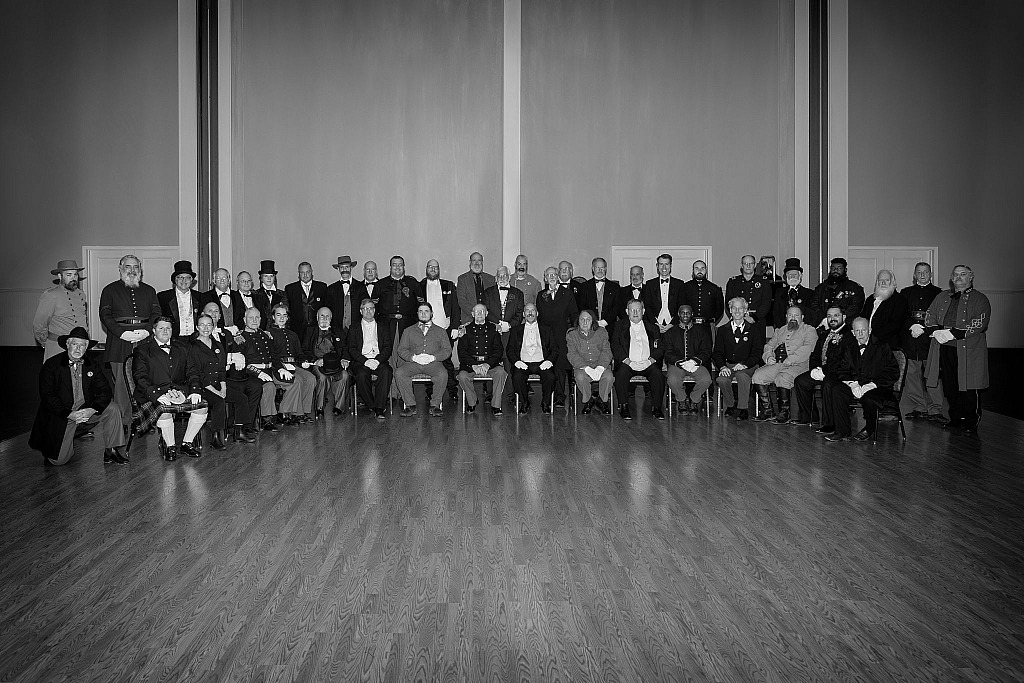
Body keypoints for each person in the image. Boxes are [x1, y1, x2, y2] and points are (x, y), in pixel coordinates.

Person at [29, 327, 128, 466]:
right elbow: (48, 396)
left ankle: (111, 451)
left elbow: (105, 390)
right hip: (62, 414)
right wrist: (69, 414)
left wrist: (92, 409)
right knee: (58, 461)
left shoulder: (92, 365)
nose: (78, 349)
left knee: (112, 408)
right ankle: (57, 444)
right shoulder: (52, 365)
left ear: (86, 348)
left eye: (82, 345)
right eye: (75, 344)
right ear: (67, 344)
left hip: (85, 409)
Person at [919, 265, 990, 433]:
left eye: (963, 274)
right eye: (956, 274)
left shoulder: (980, 299)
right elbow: (930, 315)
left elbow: (980, 322)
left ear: (971, 277)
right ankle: (955, 418)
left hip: (969, 350)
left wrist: (953, 333)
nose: (959, 277)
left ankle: (971, 420)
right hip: (945, 348)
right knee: (950, 386)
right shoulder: (942, 296)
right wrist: (936, 331)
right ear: (951, 277)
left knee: (969, 386)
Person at [99, 254, 161, 428]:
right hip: (119, 342)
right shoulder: (109, 290)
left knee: (146, 381)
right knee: (121, 384)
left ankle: (146, 420)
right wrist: (121, 333)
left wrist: (147, 330)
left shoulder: (149, 290)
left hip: (145, 341)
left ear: (140, 269)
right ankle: (124, 422)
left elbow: (156, 314)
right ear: (120, 268)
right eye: (128, 267)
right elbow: (105, 315)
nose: (132, 271)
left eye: (136, 267)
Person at [133, 317, 207, 461]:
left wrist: (195, 390)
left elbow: (192, 372)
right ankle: (170, 446)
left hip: (179, 392)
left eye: (168, 328)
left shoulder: (183, 348)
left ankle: (187, 443)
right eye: (161, 328)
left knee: (202, 407)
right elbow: (139, 377)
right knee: (164, 411)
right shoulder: (142, 350)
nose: (165, 331)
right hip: (153, 394)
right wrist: (156, 395)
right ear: (154, 331)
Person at [819, 317, 900, 442]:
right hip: (856, 384)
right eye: (857, 331)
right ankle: (842, 431)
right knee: (837, 389)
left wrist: (873, 384)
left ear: (870, 330)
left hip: (878, 387)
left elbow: (893, 372)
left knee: (869, 398)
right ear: (853, 332)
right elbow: (842, 370)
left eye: (864, 330)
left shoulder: (882, 346)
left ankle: (869, 428)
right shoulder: (850, 347)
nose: (860, 334)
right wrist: (853, 384)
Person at [199, 301, 260, 443]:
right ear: (202, 316)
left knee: (248, 390)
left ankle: (240, 430)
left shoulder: (227, 333)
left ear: (220, 316)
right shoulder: (195, 339)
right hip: (206, 381)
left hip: (224, 377)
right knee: (229, 394)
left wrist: (237, 355)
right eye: (210, 311)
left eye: (216, 312)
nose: (213, 315)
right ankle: (219, 433)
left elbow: (236, 348)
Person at [790, 307, 857, 427]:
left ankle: (828, 423)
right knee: (800, 381)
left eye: (836, 315)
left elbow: (843, 361)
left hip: (840, 372)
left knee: (828, 383)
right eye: (829, 316)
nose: (832, 319)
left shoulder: (849, 336)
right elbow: (815, 354)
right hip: (821, 370)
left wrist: (824, 371)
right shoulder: (824, 334)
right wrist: (815, 368)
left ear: (844, 317)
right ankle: (809, 416)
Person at [187, 313, 246, 450]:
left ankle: (239, 431)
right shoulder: (193, 347)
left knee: (241, 398)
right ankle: (215, 437)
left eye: (209, 324)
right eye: (202, 325)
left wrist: (223, 388)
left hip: (218, 385)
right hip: (203, 387)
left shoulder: (218, 344)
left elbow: (221, 370)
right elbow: (197, 373)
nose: (206, 328)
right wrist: (217, 392)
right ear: (197, 327)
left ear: (213, 326)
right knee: (219, 401)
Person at [751, 305, 818, 423]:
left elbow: (808, 348)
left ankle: (784, 413)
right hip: (778, 364)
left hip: (799, 364)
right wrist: (769, 357)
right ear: (786, 317)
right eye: (790, 315)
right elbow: (769, 346)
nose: (793, 318)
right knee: (758, 376)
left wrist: (790, 359)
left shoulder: (809, 330)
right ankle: (768, 412)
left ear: (802, 317)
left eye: (796, 315)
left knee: (782, 378)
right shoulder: (780, 330)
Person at [899, 262, 945, 421]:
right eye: (919, 272)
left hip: (930, 339)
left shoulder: (939, 294)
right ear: (914, 275)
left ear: (931, 274)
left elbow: (942, 317)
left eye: (925, 272)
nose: (922, 275)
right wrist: (911, 325)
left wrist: (926, 328)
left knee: (932, 376)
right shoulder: (905, 293)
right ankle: (919, 406)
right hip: (910, 339)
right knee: (911, 375)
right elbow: (900, 314)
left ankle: (936, 409)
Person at [611, 300, 666, 420]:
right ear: (627, 312)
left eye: (638, 310)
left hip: (648, 363)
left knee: (658, 374)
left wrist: (650, 361)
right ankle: (624, 407)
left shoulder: (652, 327)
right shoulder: (619, 326)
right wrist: (627, 361)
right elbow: (615, 345)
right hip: (628, 363)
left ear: (643, 311)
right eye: (632, 310)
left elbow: (660, 347)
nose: (635, 312)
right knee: (621, 373)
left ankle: (656, 408)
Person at [712, 297, 765, 420]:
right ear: (730, 310)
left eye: (740, 308)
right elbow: (717, 353)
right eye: (734, 308)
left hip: (748, 365)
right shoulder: (722, 330)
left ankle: (743, 408)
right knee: (721, 379)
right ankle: (730, 405)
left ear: (745, 310)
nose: (737, 311)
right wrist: (723, 366)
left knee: (742, 376)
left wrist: (745, 365)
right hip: (729, 365)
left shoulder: (754, 330)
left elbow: (757, 352)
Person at [395, 302, 451, 416]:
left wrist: (433, 357)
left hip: (433, 363)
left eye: (426, 311)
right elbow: (401, 349)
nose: (423, 314)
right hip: (413, 363)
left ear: (431, 314)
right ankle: (410, 405)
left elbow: (447, 350)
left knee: (443, 374)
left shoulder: (441, 331)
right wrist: (414, 357)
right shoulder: (408, 331)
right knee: (399, 373)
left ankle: (435, 405)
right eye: (421, 311)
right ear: (417, 314)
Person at [536, 266, 578, 408]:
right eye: (549, 275)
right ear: (545, 278)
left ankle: (560, 396)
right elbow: (540, 317)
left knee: (560, 365)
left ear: (558, 276)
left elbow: (574, 315)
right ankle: (547, 397)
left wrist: (575, 333)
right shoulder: (541, 295)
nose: (552, 277)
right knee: (548, 365)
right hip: (546, 336)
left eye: (554, 274)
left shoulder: (567, 293)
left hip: (562, 334)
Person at [266, 304, 316, 424]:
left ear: (288, 318)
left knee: (311, 378)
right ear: (273, 317)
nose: (282, 318)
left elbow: (299, 353)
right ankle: (286, 412)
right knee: (296, 380)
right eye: (278, 315)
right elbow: (271, 355)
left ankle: (302, 412)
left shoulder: (292, 334)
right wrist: (281, 367)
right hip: (278, 366)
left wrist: (304, 361)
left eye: (284, 315)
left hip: (294, 365)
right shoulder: (269, 333)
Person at [235, 307, 283, 433]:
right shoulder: (240, 337)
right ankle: (267, 420)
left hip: (269, 370)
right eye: (251, 318)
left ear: (261, 319)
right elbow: (242, 363)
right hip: (250, 373)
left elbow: (274, 355)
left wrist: (281, 368)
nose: (254, 320)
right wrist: (258, 373)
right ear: (245, 320)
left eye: (257, 318)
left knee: (293, 382)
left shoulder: (264, 335)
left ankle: (287, 415)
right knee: (269, 387)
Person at [457, 303, 508, 415]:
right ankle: (472, 402)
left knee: (501, 372)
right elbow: (462, 351)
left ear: (487, 314)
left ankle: (496, 405)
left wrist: (488, 364)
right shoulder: (465, 329)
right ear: (472, 314)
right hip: (471, 364)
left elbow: (498, 350)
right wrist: (473, 365)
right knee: (462, 376)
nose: (479, 314)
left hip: (489, 363)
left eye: (482, 311)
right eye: (477, 312)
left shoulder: (493, 328)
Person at [34, 259, 90, 362]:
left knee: (76, 375)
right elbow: (39, 324)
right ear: (60, 276)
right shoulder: (51, 295)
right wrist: (45, 342)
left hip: (79, 345)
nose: (73, 278)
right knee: (56, 375)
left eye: (75, 275)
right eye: (69, 275)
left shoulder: (81, 294)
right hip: (58, 345)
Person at [420, 258, 460, 403]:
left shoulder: (448, 285)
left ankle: (452, 390)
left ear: (439, 269)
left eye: (435, 267)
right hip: (426, 330)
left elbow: (456, 307)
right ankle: (430, 391)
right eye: (430, 267)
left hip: (445, 330)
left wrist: (455, 326)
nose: (433, 269)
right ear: (426, 269)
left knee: (447, 361)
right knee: (429, 361)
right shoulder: (419, 286)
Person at [507, 303, 557, 414]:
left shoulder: (547, 329)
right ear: (524, 314)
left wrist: (549, 361)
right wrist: (516, 362)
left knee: (550, 377)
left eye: (533, 310)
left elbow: (555, 349)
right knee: (517, 377)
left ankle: (545, 403)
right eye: (527, 311)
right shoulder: (515, 330)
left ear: (537, 313)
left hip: (541, 362)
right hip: (523, 362)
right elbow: (509, 350)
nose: (530, 313)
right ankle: (525, 402)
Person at [346, 299, 392, 419]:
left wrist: (377, 360)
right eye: (365, 309)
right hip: (361, 361)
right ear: (361, 311)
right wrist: (365, 361)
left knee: (387, 371)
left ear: (375, 310)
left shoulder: (383, 326)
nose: (368, 311)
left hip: (378, 360)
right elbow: (351, 349)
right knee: (361, 375)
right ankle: (372, 405)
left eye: (371, 308)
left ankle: (380, 407)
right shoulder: (354, 327)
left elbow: (388, 348)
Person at [663, 305, 713, 415]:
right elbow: (667, 352)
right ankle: (681, 400)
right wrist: (681, 362)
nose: (685, 315)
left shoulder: (701, 331)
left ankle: (694, 400)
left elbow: (706, 350)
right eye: (682, 313)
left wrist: (694, 361)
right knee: (672, 380)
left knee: (706, 379)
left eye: (688, 313)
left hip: (696, 364)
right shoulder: (671, 332)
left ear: (692, 314)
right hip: (677, 365)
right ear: (678, 314)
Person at [301, 307, 350, 418]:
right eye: (322, 316)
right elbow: (304, 349)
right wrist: (315, 361)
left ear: (331, 318)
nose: (324, 318)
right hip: (318, 363)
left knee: (345, 375)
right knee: (322, 378)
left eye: (327, 316)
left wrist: (344, 359)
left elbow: (346, 348)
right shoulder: (310, 331)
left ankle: (339, 407)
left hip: (336, 363)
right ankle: (319, 407)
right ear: (317, 317)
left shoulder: (338, 331)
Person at [566, 309, 613, 414]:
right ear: (578, 321)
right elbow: (572, 354)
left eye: (588, 319)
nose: (585, 322)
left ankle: (602, 400)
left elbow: (607, 351)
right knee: (581, 377)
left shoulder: (602, 332)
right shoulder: (572, 334)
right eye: (582, 319)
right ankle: (588, 400)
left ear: (593, 321)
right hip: (582, 366)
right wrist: (586, 368)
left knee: (609, 377)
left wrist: (600, 367)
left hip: (600, 364)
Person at [378, 255, 423, 364]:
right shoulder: (380, 284)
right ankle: (391, 379)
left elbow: (421, 305)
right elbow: (375, 308)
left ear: (404, 267)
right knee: (387, 352)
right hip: (386, 325)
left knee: (407, 352)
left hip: (408, 324)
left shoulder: (413, 284)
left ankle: (405, 378)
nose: (397, 267)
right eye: (394, 265)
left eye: (400, 265)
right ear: (390, 267)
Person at [860, 269, 909, 349]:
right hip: (868, 344)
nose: (883, 283)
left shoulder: (900, 300)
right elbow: (863, 318)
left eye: (887, 280)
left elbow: (895, 325)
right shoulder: (870, 299)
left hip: (888, 346)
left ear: (893, 282)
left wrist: (872, 337)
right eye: (880, 280)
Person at [724, 255, 772, 332]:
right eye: (745, 263)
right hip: (738, 322)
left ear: (755, 265)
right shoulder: (733, 282)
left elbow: (766, 303)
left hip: (757, 322)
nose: (748, 266)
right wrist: (738, 317)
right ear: (741, 265)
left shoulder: (764, 282)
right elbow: (728, 303)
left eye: (751, 263)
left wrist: (754, 318)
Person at [157, 260, 202, 338]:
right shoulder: (163, 297)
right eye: (180, 277)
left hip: (195, 340)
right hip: (173, 340)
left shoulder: (200, 297)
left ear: (191, 280)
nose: (184, 281)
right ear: (175, 280)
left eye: (187, 278)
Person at [814, 257, 865, 325]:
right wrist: (826, 318)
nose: (836, 270)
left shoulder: (854, 288)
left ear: (845, 270)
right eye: (833, 268)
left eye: (839, 268)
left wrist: (839, 317)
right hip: (824, 324)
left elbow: (856, 307)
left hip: (847, 325)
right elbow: (814, 305)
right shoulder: (821, 288)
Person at [285, 261, 328, 340]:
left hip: (317, 331)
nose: (305, 275)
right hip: (297, 331)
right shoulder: (290, 289)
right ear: (298, 274)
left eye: (308, 272)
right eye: (302, 272)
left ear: (312, 272)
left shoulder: (322, 287)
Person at [642, 253, 685, 333]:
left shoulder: (679, 284)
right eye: (661, 264)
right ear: (657, 266)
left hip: (674, 326)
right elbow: (647, 306)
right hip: (654, 326)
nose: (664, 267)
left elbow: (681, 306)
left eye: (667, 264)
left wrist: (672, 323)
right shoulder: (650, 284)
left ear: (671, 265)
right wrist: (655, 324)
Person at [681, 260, 724, 337]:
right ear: (693, 270)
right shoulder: (685, 287)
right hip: (689, 326)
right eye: (696, 268)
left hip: (708, 327)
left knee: (709, 348)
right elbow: (680, 306)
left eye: (702, 268)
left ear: (706, 270)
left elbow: (720, 309)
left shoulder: (714, 288)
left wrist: (711, 322)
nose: (699, 271)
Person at [577, 257, 620, 335]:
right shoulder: (584, 286)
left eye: (602, 268)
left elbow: (616, 307)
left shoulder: (615, 287)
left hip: (610, 327)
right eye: (598, 267)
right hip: (589, 327)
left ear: (606, 269)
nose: (600, 270)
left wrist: (605, 322)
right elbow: (582, 306)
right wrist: (593, 321)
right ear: (593, 269)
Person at [773, 258, 820, 327]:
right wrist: (782, 328)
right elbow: (776, 313)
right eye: (790, 275)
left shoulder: (809, 293)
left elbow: (811, 315)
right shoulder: (779, 293)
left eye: (795, 274)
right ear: (786, 277)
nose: (792, 277)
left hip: (803, 330)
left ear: (800, 276)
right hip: (783, 330)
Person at [325, 255, 365, 336]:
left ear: (351, 268)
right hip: (337, 331)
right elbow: (327, 309)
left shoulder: (360, 287)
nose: (344, 270)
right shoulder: (331, 289)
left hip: (356, 330)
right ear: (338, 269)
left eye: (347, 267)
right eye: (342, 267)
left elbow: (365, 307)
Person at [200, 268, 246, 332]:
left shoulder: (237, 295)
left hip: (237, 334)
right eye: (218, 278)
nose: (222, 280)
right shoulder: (205, 297)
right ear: (214, 281)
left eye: (224, 278)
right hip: (216, 335)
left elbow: (242, 315)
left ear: (229, 280)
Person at [456, 252, 496, 324]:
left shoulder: (491, 279)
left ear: (482, 262)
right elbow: (462, 301)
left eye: (479, 260)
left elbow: (494, 301)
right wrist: (475, 314)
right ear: (469, 262)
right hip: (469, 320)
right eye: (474, 260)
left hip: (488, 321)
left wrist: (486, 315)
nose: (477, 263)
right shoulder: (462, 279)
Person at [252, 260, 286, 330]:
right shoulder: (255, 295)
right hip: (261, 331)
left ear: (274, 277)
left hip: (278, 331)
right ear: (261, 278)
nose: (269, 278)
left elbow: (287, 314)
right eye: (266, 276)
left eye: (271, 276)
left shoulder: (282, 294)